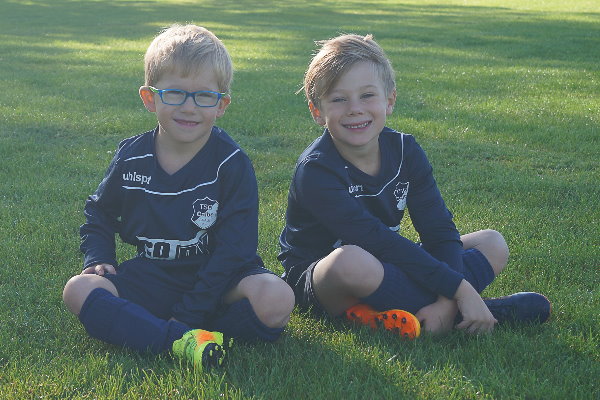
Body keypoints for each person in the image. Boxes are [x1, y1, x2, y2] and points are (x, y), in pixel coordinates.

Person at [278, 34, 550, 338]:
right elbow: (378, 240)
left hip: (384, 264)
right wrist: (461, 290)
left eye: (367, 95)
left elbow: (438, 231)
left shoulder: (406, 151)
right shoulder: (316, 169)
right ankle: (485, 311)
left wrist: (448, 299)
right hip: (324, 280)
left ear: (389, 100)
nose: (355, 109)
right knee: (350, 259)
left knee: (491, 242)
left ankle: (426, 314)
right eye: (339, 99)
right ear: (318, 112)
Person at [63, 24, 295, 370]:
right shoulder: (131, 158)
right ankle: (178, 341)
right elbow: (99, 212)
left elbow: (236, 249)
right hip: (154, 276)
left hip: (220, 279)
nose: (189, 107)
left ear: (221, 105)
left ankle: (159, 330)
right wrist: (98, 254)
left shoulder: (231, 163)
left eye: (204, 96)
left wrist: (190, 310)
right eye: (174, 93)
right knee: (77, 290)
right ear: (149, 98)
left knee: (277, 296)